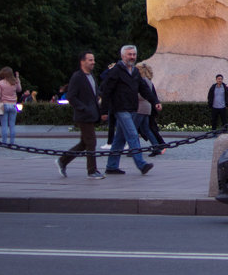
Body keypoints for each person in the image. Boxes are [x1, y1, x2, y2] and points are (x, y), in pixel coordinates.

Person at [100, 45, 158, 175]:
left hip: (132, 108)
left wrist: (155, 102)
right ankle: (141, 164)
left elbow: (143, 89)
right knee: (132, 134)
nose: (132, 57)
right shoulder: (115, 71)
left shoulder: (135, 72)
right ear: (122, 56)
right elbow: (106, 91)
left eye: (134, 54)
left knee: (119, 139)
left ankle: (112, 166)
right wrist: (104, 111)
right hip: (120, 109)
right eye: (129, 54)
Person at [58, 51, 104, 179]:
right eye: (90, 60)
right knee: (91, 142)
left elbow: (94, 93)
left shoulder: (91, 76)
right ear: (82, 61)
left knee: (84, 143)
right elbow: (71, 96)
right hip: (84, 116)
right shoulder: (77, 77)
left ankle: (63, 160)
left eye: (93, 59)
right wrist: (83, 108)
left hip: (91, 114)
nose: (93, 62)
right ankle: (92, 171)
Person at [136, 63, 165, 156]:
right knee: (146, 128)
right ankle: (156, 147)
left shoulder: (142, 81)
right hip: (147, 108)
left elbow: (141, 95)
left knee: (134, 129)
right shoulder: (149, 81)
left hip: (140, 107)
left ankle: (134, 149)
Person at [0, 66, 22, 145]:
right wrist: (18, 78)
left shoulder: (0, 83)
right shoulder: (15, 82)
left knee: (4, 125)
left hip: (4, 104)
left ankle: (4, 142)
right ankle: (12, 142)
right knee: (12, 125)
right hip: (13, 105)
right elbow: (19, 89)